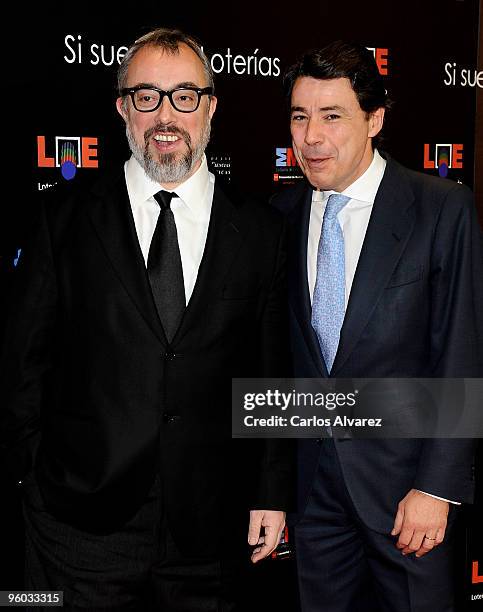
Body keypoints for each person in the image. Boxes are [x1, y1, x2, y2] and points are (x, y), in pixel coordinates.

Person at [0, 28, 292, 611]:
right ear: (121, 107)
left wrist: (270, 493)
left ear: (210, 107)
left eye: (185, 95)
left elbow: (272, 376)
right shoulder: (62, 219)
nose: (166, 114)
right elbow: (20, 365)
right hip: (79, 527)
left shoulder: (261, 229)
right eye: (147, 96)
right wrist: (34, 480)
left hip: (212, 531)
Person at [272, 41, 483, 611]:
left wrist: (437, 487)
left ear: (375, 120)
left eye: (332, 116)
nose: (310, 136)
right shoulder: (279, 217)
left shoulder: (441, 209)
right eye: (299, 116)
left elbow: (461, 354)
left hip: (409, 499)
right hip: (314, 501)